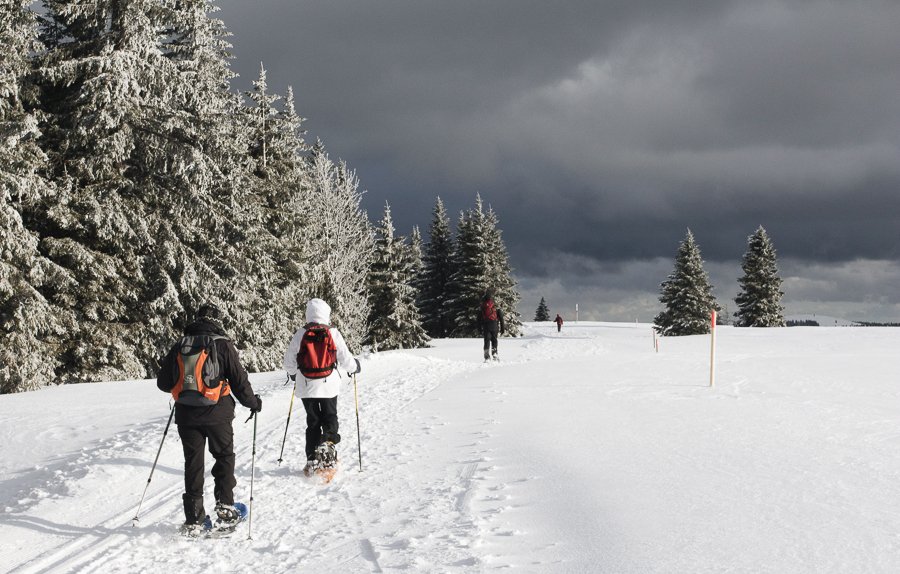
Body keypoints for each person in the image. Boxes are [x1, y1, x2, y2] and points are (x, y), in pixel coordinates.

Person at [156, 303, 262, 535]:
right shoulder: (222, 344)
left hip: (186, 415)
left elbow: (163, 383)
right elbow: (239, 380)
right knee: (223, 457)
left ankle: (194, 518)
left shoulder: (180, 345)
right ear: (217, 320)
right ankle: (225, 507)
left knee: (193, 463)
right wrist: (253, 403)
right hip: (218, 414)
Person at [283, 298, 360, 475]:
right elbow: (345, 358)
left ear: (308, 314)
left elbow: (288, 362)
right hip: (329, 386)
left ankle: (311, 460)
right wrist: (355, 367)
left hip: (306, 386)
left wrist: (295, 373)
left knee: (313, 422)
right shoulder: (332, 332)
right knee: (330, 417)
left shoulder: (301, 333)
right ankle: (327, 451)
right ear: (326, 313)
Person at [479, 290, 505, 361]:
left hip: (486, 326)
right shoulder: (496, 308)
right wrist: (503, 329)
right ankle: (495, 355)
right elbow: (501, 319)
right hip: (494, 326)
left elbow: (478, 320)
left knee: (486, 341)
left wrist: (479, 329)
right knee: (494, 341)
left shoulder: (483, 308)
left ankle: (487, 357)